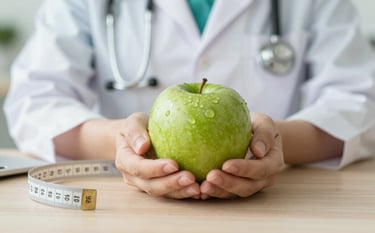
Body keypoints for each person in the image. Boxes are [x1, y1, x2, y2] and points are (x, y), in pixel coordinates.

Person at [4, 0, 375, 199]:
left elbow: (359, 100)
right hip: (123, 214)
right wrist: (123, 141)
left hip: (278, 213)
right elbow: (35, 98)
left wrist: (272, 142)